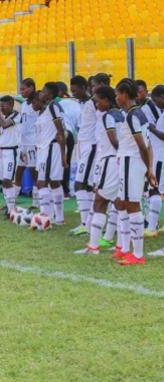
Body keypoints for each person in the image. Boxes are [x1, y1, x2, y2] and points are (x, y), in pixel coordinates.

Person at [113, 78, 156, 266]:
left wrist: (149, 169)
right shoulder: (137, 114)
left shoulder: (132, 115)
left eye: (117, 94)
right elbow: (149, 145)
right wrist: (150, 168)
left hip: (132, 162)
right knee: (122, 203)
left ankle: (138, 254)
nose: (116, 97)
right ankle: (124, 248)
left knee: (132, 205)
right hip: (129, 162)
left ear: (124, 94)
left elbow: (142, 146)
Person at [75, 86, 122, 254]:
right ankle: (120, 246)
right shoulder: (121, 114)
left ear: (107, 100)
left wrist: (120, 154)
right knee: (120, 203)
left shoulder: (108, 117)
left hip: (109, 162)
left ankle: (93, 246)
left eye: (98, 101)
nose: (96, 104)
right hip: (119, 163)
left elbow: (114, 141)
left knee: (100, 202)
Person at [70, 73, 110, 236]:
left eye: (93, 85)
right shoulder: (87, 103)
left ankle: (86, 224)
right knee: (86, 185)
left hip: (92, 147)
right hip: (84, 145)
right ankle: (89, 222)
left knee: (80, 184)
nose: (73, 93)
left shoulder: (96, 102)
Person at [35, 83, 67, 225]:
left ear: (50, 94)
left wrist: (63, 155)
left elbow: (60, 132)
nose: (41, 93)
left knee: (42, 182)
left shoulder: (53, 107)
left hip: (50, 149)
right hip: (44, 149)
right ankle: (58, 218)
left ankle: (45, 216)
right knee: (53, 182)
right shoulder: (45, 109)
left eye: (43, 91)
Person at [15, 78, 39, 209]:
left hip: (33, 142)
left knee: (33, 172)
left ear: (32, 88)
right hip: (23, 143)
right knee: (19, 171)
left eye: (23, 89)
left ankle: (36, 203)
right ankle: (11, 203)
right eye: (21, 89)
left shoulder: (37, 105)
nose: (21, 91)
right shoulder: (24, 104)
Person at [144, 85, 164, 238]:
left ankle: (151, 227)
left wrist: (151, 127)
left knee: (154, 190)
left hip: (160, 157)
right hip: (159, 155)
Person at [56, 81, 81, 198]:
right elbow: (78, 123)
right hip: (69, 134)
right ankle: (65, 190)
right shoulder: (75, 103)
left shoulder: (53, 103)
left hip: (58, 134)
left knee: (58, 162)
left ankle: (60, 189)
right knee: (66, 161)